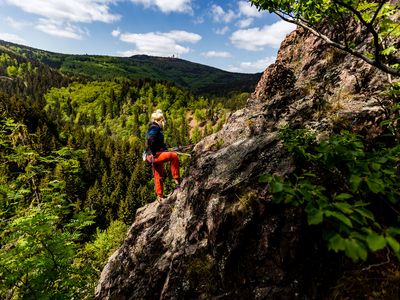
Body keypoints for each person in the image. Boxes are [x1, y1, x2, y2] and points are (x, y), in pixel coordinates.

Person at [146, 109, 180, 202]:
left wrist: (164, 149)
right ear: (159, 120)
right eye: (163, 121)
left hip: (153, 155)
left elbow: (155, 142)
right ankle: (177, 182)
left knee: (158, 175)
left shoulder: (154, 127)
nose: (164, 122)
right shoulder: (155, 127)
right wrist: (154, 152)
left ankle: (159, 195)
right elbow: (151, 139)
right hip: (154, 155)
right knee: (174, 156)